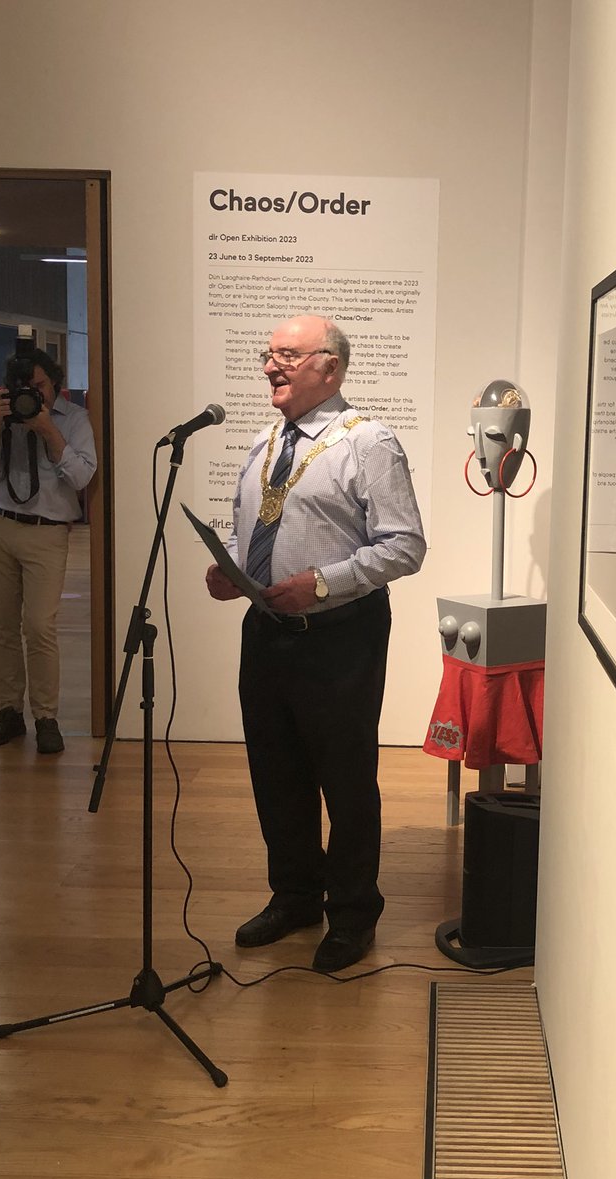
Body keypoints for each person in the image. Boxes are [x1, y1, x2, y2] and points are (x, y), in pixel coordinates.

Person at [205, 314, 426, 972]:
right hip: (266, 630)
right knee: (276, 772)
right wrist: (236, 568)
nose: (271, 366)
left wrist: (322, 585)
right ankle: (295, 894)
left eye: (288, 356)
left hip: (340, 634)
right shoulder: (263, 441)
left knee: (346, 778)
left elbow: (406, 546)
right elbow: (267, 528)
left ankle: (353, 911)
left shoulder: (369, 443)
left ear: (329, 368)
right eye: (269, 354)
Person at [0, 349, 97, 754]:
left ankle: (46, 717)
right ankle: (10, 713)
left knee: (39, 627)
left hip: (47, 533)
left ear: (55, 383)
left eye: (39, 386)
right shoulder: (7, 415)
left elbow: (84, 475)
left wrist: (50, 430)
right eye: (24, 388)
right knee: (1, 627)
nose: (32, 394)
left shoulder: (75, 420)